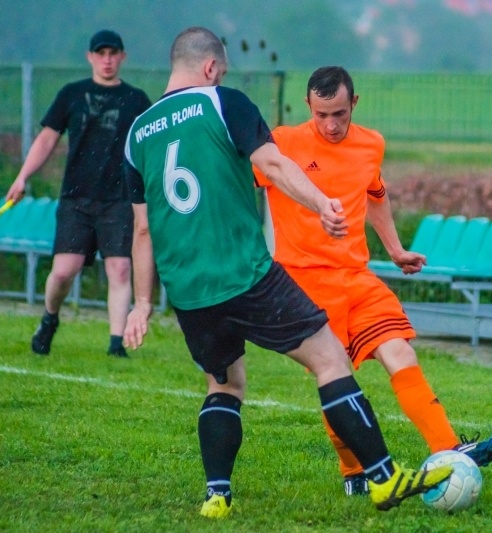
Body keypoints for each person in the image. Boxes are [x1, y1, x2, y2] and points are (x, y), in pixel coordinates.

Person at [122, 27, 452, 519]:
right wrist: (322, 203)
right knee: (330, 361)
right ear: (211, 67)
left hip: (188, 289)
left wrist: (142, 303)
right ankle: (383, 477)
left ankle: (217, 496)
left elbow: (144, 229)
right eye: (222, 71)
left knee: (225, 386)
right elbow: (274, 167)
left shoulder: (137, 133)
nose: (222, 77)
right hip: (248, 274)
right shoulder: (223, 102)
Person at [253, 66, 492, 496]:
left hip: (357, 276)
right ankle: (353, 471)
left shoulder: (371, 144)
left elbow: (375, 193)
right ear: (308, 106)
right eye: (321, 115)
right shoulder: (282, 144)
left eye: (339, 114)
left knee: (400, 350)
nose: (331, 125)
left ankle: (449, 449)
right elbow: (241, 183)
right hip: (306, 283)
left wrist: (395, 249)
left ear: (354, 103)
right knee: (336, 376)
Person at [6, 29, 151, 358]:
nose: (107, 60)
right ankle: (49, 319)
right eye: (101, 53)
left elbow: (150, 145)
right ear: (90, 57)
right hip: (76, 198)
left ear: (122, 57)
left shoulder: (136, 100)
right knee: (63, 271)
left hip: (119, 199)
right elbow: (47, 139)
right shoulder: (72, 93)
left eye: (113, 53)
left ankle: (116, 345)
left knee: (120, 269)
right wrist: (22, 177)